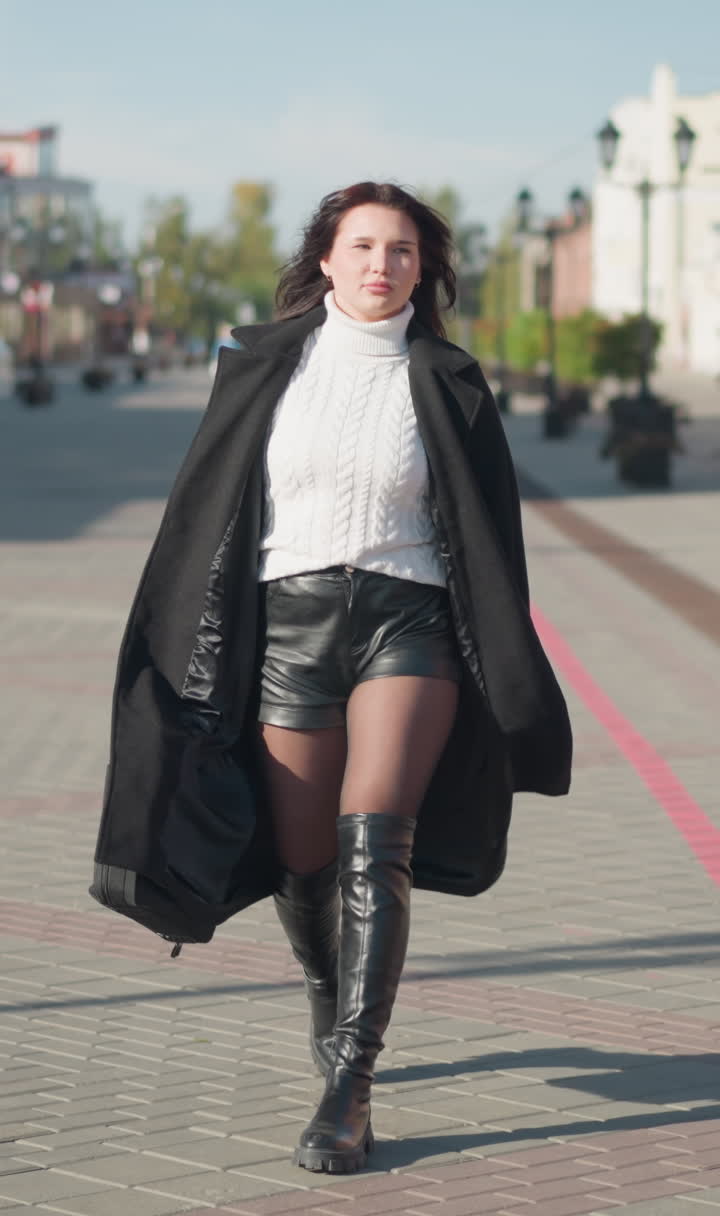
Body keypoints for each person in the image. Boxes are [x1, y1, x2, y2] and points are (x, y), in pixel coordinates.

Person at [91, 181, 572, 1176]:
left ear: (423, 270)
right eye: (363, 246)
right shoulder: (260, 363)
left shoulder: (450, 379)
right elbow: (206, 509)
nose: (381, 265)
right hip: (291, 625)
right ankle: (329, 991)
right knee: (304, 858)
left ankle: (351, 1079)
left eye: (401, 250)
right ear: (325, 258)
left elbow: (489, 533)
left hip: (410, 622)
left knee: (373, 842)